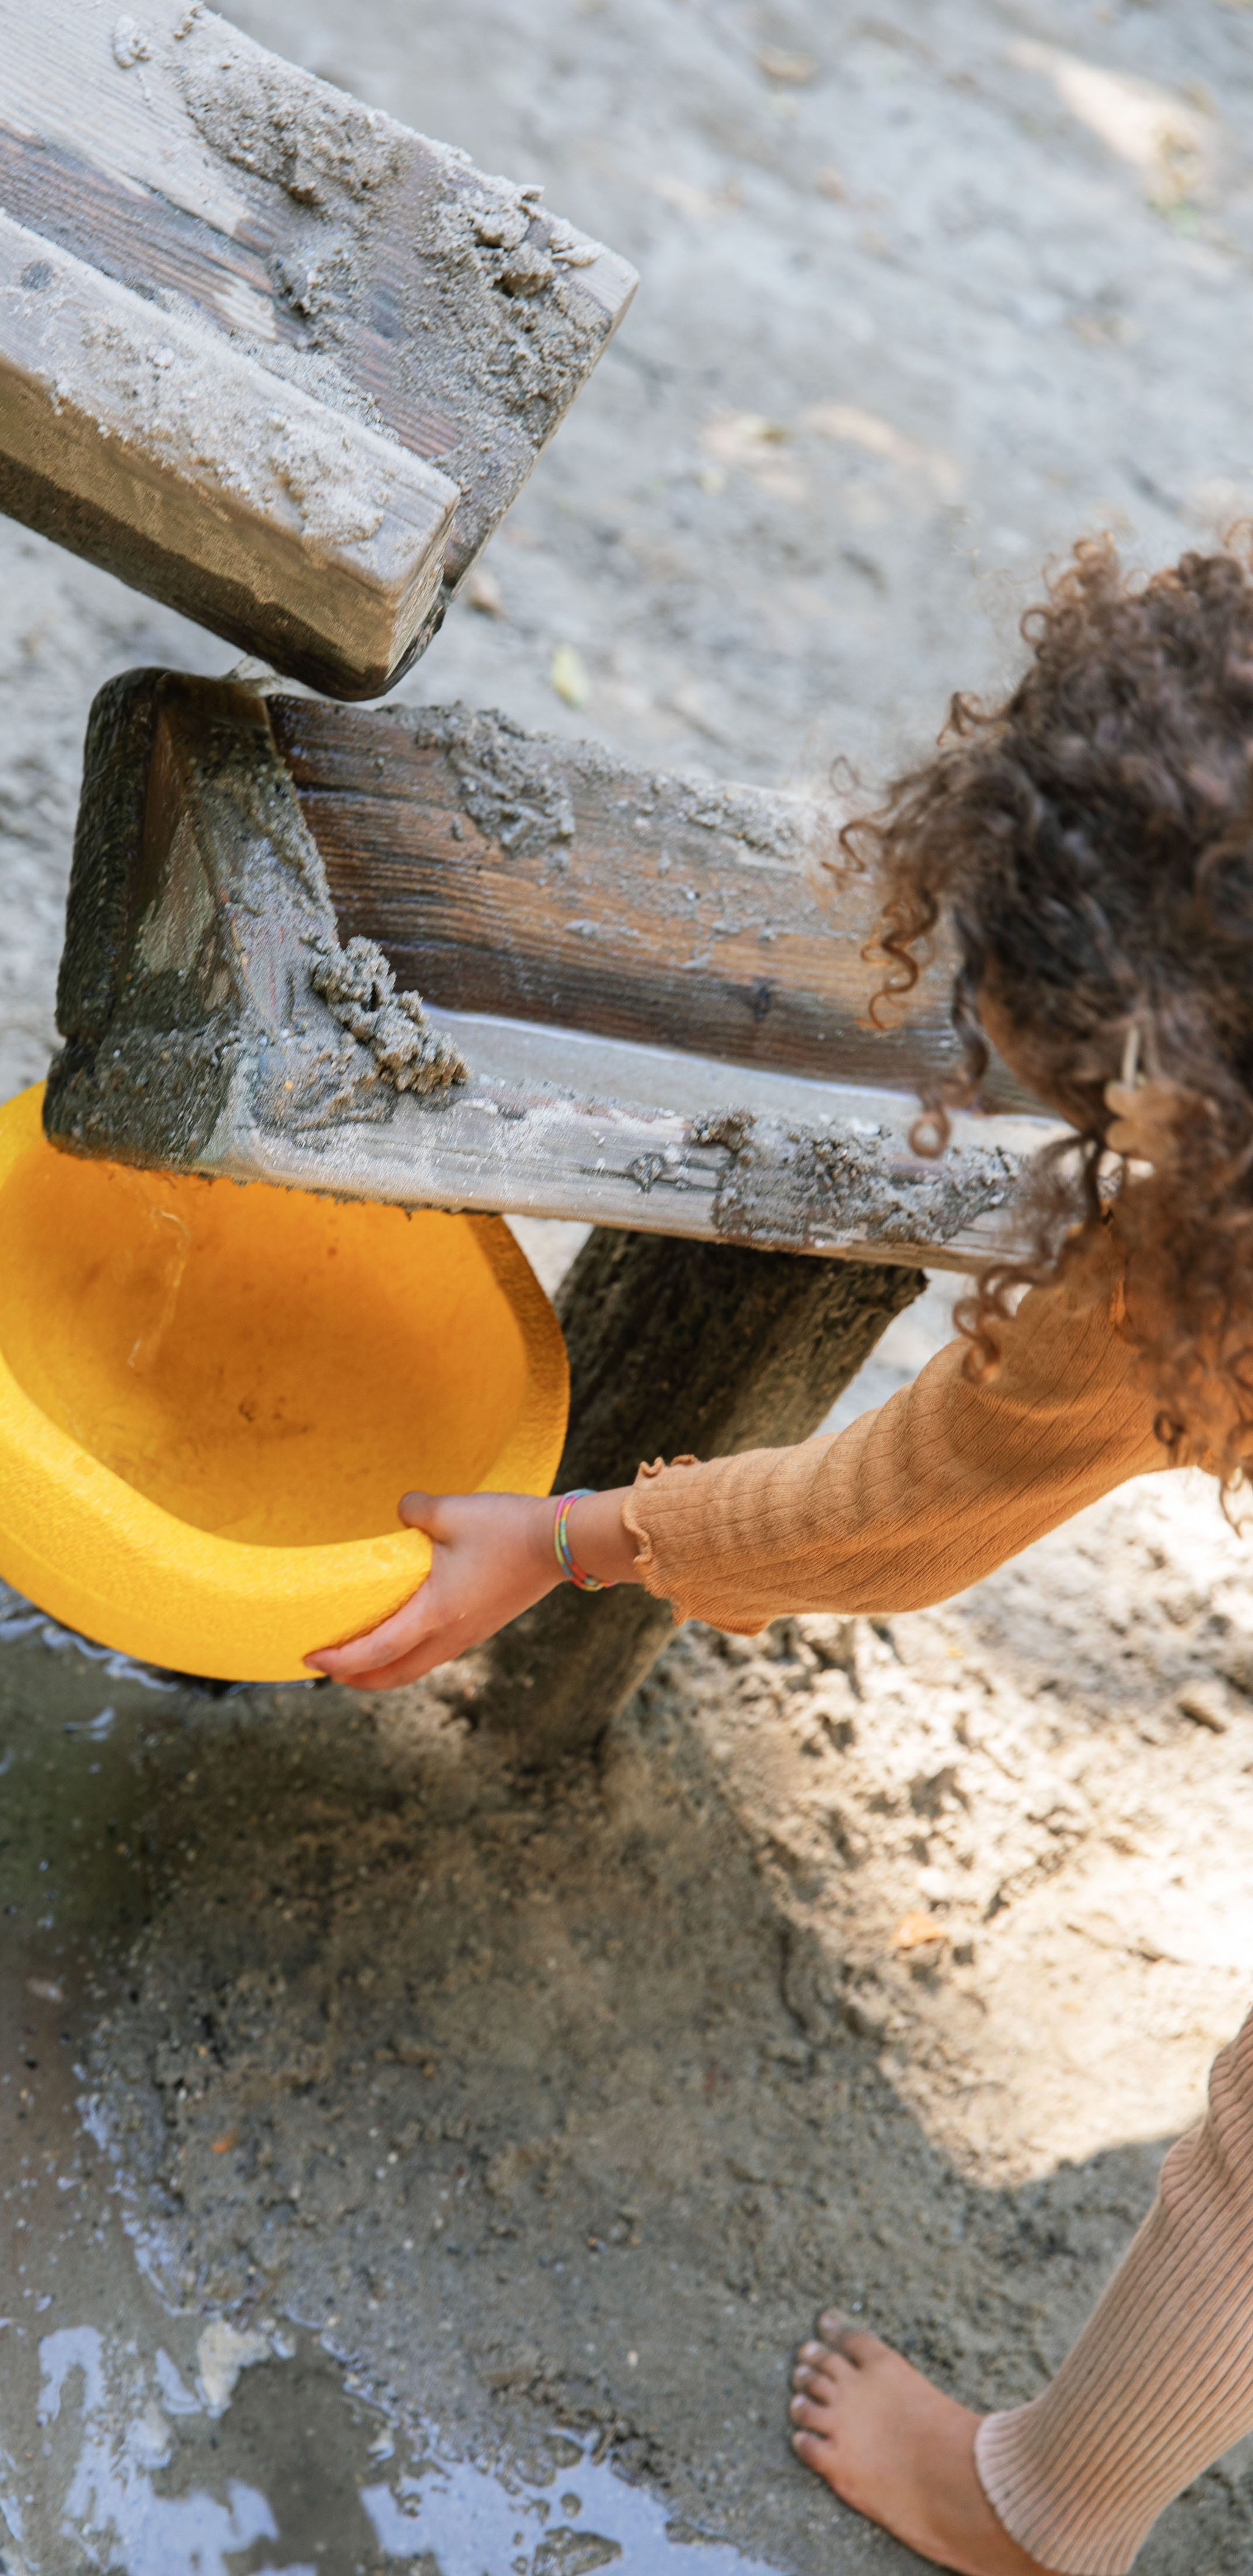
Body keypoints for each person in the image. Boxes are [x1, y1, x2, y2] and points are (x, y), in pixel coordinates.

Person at [307, 536, 1253, 2576]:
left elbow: (909, 1501)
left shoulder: (1195, 1246)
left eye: (1056, 1081)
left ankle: (1030, 2514)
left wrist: (585, 1535)